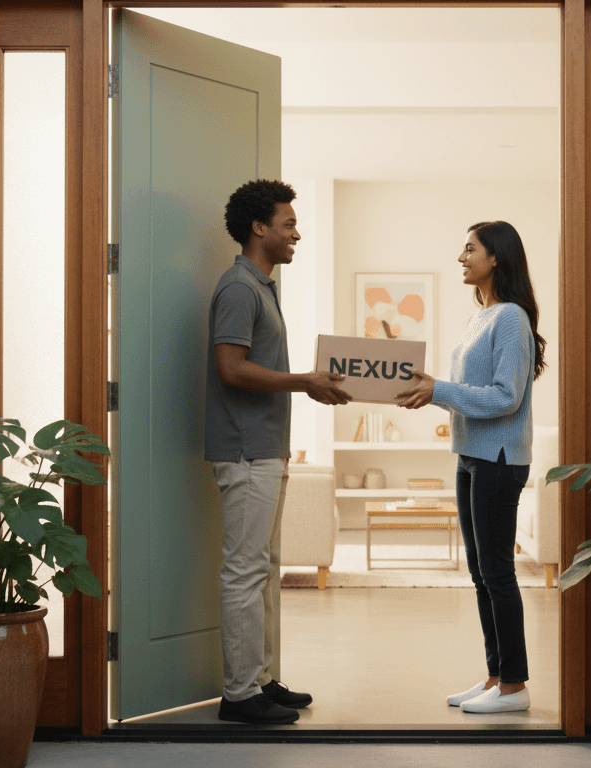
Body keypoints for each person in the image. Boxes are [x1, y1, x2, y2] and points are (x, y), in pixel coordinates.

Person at [205, 179, 352, 725]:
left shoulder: (262, 288)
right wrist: (304, 382)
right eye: (288, 224)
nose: (296, 233)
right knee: (244, 572)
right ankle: (238, 695)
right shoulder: (240, 289)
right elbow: (230, 368)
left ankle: (261, 681)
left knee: (262, 569)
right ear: (258, 228)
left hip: (265, 451)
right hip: (244, 453)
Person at [394, 220, 547, 714]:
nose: (461, 257)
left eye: (469, 249)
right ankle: (495, 677)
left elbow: (506, 397)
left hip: (499, 460)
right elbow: (467, 394)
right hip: (471, 456)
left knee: (497, 572)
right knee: (482, 573)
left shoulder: (510, 319)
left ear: (496, 257)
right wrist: (430, 392)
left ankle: (515, 687)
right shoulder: (480, 317)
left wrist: (439, 389)